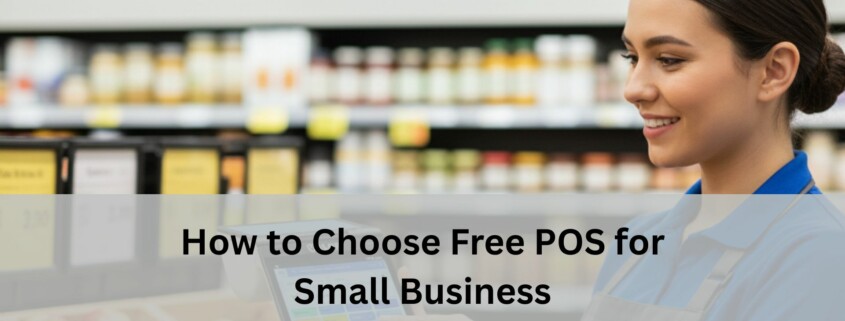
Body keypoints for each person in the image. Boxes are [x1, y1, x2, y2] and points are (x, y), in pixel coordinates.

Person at [382, 0, 845, 320]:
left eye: (668, 59)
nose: (632, 89)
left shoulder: (818, 257)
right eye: (632, 56)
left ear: (774, 71)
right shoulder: (642, 239)